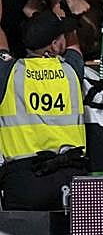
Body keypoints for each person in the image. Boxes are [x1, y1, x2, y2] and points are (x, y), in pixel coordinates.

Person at [0, 11, 88, 211]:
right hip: (71, 178)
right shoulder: (72, 69)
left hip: (25, 180)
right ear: (54, 45)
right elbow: (74, 45)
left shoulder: (8, 73)